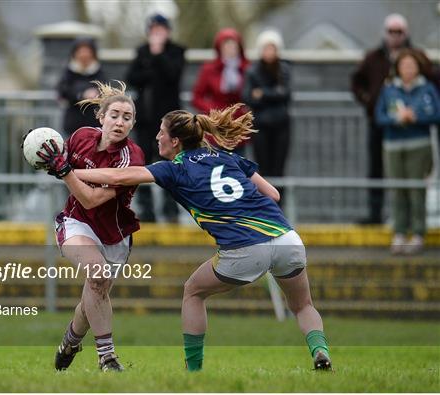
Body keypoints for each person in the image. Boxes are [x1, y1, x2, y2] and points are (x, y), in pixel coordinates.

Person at [71, 104, 332, 372]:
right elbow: (274, 195)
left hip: (244, 248)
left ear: (175, 141)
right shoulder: (227, 156)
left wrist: (70, 172)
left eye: (161, 133)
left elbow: (121, 176)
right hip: (287, 238)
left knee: (193, 292)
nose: (157, 138)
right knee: (302, 305)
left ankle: (193, 371)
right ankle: (320, 351)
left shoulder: (173, 169)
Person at [33, 81, 144, 372]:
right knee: (97, 275)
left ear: (133, 124)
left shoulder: (131, 158)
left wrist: (65, 171)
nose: (120, 122)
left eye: (127, 117)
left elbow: (93, 198)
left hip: (114, 235)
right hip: (77, 222)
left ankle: (70, 340)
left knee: (95, 293)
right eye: (115, 115)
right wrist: (41, 155)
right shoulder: (81, 136)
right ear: (101, 117)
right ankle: (107, 358)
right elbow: (56, 164)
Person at [351, 14, 435, 224]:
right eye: (391, 31)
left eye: (399, 31)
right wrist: (368, 99)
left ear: (405, 33)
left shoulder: (418, 55)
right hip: (380, 122)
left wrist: (422, 110)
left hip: (413, 131)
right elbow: (356, 81)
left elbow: (433, 82)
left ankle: (412, 223)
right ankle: (375, 213)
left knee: (413, 178)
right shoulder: (373, 57)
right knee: (376, 167)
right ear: (385, 33)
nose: (395, 36)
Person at [375, 50, 440, 255]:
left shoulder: (426, 88)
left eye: (412, 66)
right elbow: (380, 116)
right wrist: (396, 119)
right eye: (404, 66)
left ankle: (418, 233)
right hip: (393, 147)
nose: (408, 70)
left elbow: (436, 113)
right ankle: (400, 233)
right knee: (397, 190)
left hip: (419, 146)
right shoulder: (389, 89)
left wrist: (416, 117)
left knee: (416, 190)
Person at [125, 13, 185, 222]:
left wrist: (158, 55)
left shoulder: (176, 51)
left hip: (169, 122)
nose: (157, 34)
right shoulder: (142, 52)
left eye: (161, 30)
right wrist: (150, 57)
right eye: (153, 30)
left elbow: (173, 75)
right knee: (142, 162)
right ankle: (146, 209)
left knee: (170, 162)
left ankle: (171, 209)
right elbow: (132, 78)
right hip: (145, 120)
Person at [242, 29, 291, 203]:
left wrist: (262, 93)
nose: (269, 52)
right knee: (262, 169)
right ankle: (264, 206)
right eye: (266, 48)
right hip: (261, 127)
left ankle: (280, 207)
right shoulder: (253, 71)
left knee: (279, 169)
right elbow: (247, 96)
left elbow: (285, 94)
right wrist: (272, 94)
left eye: (272, 48)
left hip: (281, 126)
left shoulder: (284, 69)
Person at [192, 28, 250, 156]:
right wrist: (214, 111)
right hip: (216, 124)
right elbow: (197, 97)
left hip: (238, 124)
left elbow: (250, 94)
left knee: (238, 163)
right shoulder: (209, 69)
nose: (230, 49)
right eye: (226, 45)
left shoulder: (247, 68)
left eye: (233, 45)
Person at [56, 37, 107, 136]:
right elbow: (63, 90)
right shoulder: (69, 72)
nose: (84, 55)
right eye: (81, 51)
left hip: (94, 123)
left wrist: (96, 94)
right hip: (73, 123)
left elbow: (105, 89)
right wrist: (82, 94)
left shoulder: (99, 71)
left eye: (87, 51)